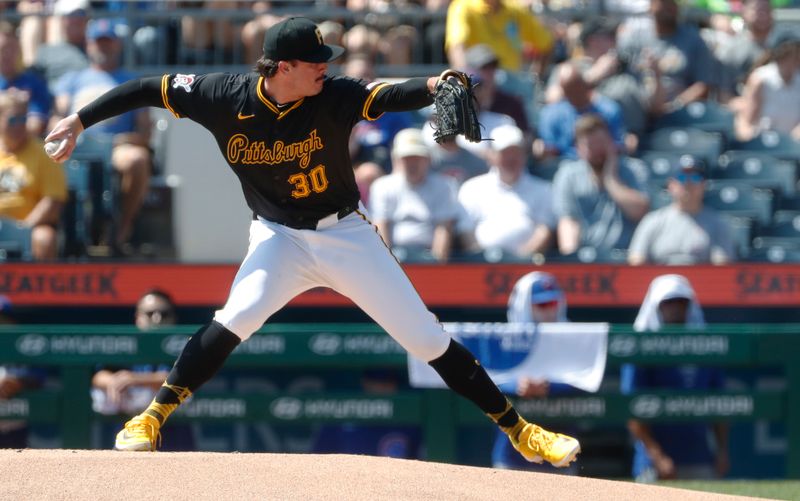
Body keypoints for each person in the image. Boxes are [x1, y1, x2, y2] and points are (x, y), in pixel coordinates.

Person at [45, 17, 580, 467]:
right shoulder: (222, 95)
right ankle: (152, 416)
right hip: (278, 236)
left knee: (426, 338)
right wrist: (78, 119)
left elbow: (389, 93)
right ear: (282, 68)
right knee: (236, 317)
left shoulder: (334, 96)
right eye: (315, 59)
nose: (327, 64)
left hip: (345, 233)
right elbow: (147, 88)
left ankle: (520, 430)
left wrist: (437, 82)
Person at [53, 18, 152, 250]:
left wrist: (115, 141)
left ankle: (120, 230)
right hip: (76, 146)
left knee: (137, 159)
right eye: (98, 42)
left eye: (108, 42)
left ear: (117, 45)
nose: (103, 47)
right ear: (88, 44)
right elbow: (56, 118)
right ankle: (60, 235)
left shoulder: (131, 82)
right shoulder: (72, 80)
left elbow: (144, 132)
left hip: (116, 147)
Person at [621, 274, 730, 482]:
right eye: (668, 302)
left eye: (682, 301)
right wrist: (658, 457)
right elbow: (632, 411)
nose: (676, 307)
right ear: (656, 306)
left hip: (700, 458)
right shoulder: (641, 348)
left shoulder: (705, 347)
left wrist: (722, 449)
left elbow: (720, 404)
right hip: (653, 465)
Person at [492, 272, 579, 474]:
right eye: (541, 305)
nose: (549, 311)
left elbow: (585, 379)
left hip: (561, 446)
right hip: (512, 454)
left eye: (553, 304)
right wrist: (516, 385)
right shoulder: (506, 340)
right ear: (524, 305)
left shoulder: (572, 335)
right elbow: (488, 378)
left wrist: (549, 386)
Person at [92, 288, 195, 451]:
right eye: (149, 313)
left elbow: (185, 377)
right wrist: (113, 381)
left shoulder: (183, 345)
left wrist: (134, 379)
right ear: (138, 317)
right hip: (130, 428)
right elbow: (99, 375)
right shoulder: (127, 345)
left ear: (174, 318)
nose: (157, 318)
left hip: (174, 431)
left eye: (164, 313)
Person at [552, 114, 649, 255]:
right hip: (585, 257)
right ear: (578, 149)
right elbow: (568, 221)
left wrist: (610, 179)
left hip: (626, 257)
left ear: (611, 142)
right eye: (590, 145)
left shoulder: (635, 169)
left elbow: (640, 212)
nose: (597, 150)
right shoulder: (568, 175)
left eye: (601, 143)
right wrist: (571, 260)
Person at [458, 123, 555, 258]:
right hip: (480, 267)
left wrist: (520, 261)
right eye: (505, 153)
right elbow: (466, 232)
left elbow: (544, 230)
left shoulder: (543, 190)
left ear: (524, 155)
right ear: (492, 155)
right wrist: (482, 259)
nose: (511, 158)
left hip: (527, 266)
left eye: (516, 152)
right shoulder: (472, 188)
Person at [369, 128, 460, 263]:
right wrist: (388, 264)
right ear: (396, 160)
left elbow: (444, 228)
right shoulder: (382, 186)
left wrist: (436, 265)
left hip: (428, 256)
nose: (412, 163)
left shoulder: (444, 186)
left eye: (417, 158)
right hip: (394, 256)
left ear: (428, 159)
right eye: (407, 158)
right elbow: (380, 227)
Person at [628, 155, 735, 265]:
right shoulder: (652, 220)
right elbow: (636, 261)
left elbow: (721, 268)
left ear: (703, 185)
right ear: (670, 185)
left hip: (700, 280)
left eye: (695, 178)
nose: (688, 183)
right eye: (681, 177)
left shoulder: (717, 223)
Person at [616, 0, 717, 115]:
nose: (669, 8)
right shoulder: (634, 37)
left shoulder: (693, 39)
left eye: (673, 3)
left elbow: (702, 84)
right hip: (637, 110)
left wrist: (674, 105)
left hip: (677, 113)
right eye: (664, 2)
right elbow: (618, 73)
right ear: (651, 5)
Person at [0, 88, 66, 260]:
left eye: (24, 119)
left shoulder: (43, 152)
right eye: (13, 119)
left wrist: (22, 228)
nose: (19, 125)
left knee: (45, 238)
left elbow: (53, 200)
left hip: (29, 226)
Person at [535, 62, 626, 160]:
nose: (575, 94)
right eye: (570, 90)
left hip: (602, 164)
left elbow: (618, 144)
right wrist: (544, 150)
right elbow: (550, 148)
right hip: (564, 166)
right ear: (563, 91)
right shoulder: (551, 114)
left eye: (577, 87)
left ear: (585, 85)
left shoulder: (608, 109)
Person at [445, 0, 554, 73]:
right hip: (479, 82)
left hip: (512, 83)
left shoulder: (515, 10)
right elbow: (457, 48)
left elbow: (546, 43)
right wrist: (464, 79)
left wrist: (535, 76)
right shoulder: (463, 7)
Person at [734, 31, 800, 141]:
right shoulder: (760, 78)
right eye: (788, 54)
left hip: (792, 145)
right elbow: (745, 121)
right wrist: (752, 141)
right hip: (762, 140)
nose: (793, 59)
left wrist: (793, 140)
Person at [0, 22, 53, 137]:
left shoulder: (34, 83)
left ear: (19, 50)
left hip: (25, 150)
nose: (7, 54)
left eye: (12, 48)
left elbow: (35, 125)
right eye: (3, 49)